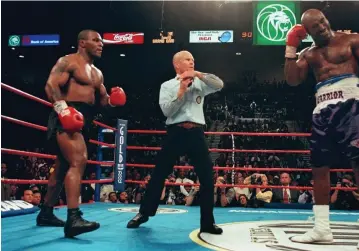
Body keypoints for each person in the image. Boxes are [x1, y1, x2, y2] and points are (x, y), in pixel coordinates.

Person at [284, 9, 359, 250]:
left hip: (351, 107)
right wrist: (290, 47)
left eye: (322, 21)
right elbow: (292, 79)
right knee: (319, 168)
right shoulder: (308, 53)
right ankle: (322, 228)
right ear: (307, 32)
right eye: (314, 26)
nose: (321, 26)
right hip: (322, 110)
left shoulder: (351, 40)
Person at [36, 29, 126, 238]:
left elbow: (103, 102)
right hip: (67, 115)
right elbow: (51, 86)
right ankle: (73, 218)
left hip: (85, 120)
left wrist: (114, 101)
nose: (101, 44)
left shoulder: (97, 73)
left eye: (102, 41)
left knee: (61, 169)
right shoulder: (68, 62)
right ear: (82, 43)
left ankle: (46, 213)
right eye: (96, 40)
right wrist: (63, 110)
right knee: (79, 161)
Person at [126, 50, 223, 235]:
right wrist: (181, 91)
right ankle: (143, 213)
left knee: (207, 178)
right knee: (158, 174)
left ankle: (208, 223)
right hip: (175, 132)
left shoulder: (201, 83)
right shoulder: (167, 86)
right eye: (188, 59)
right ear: (177, 65)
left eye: (193, 59)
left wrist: (198, 75)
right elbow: (167, 112)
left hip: (196, 132)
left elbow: (219, 84)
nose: (192, 62)